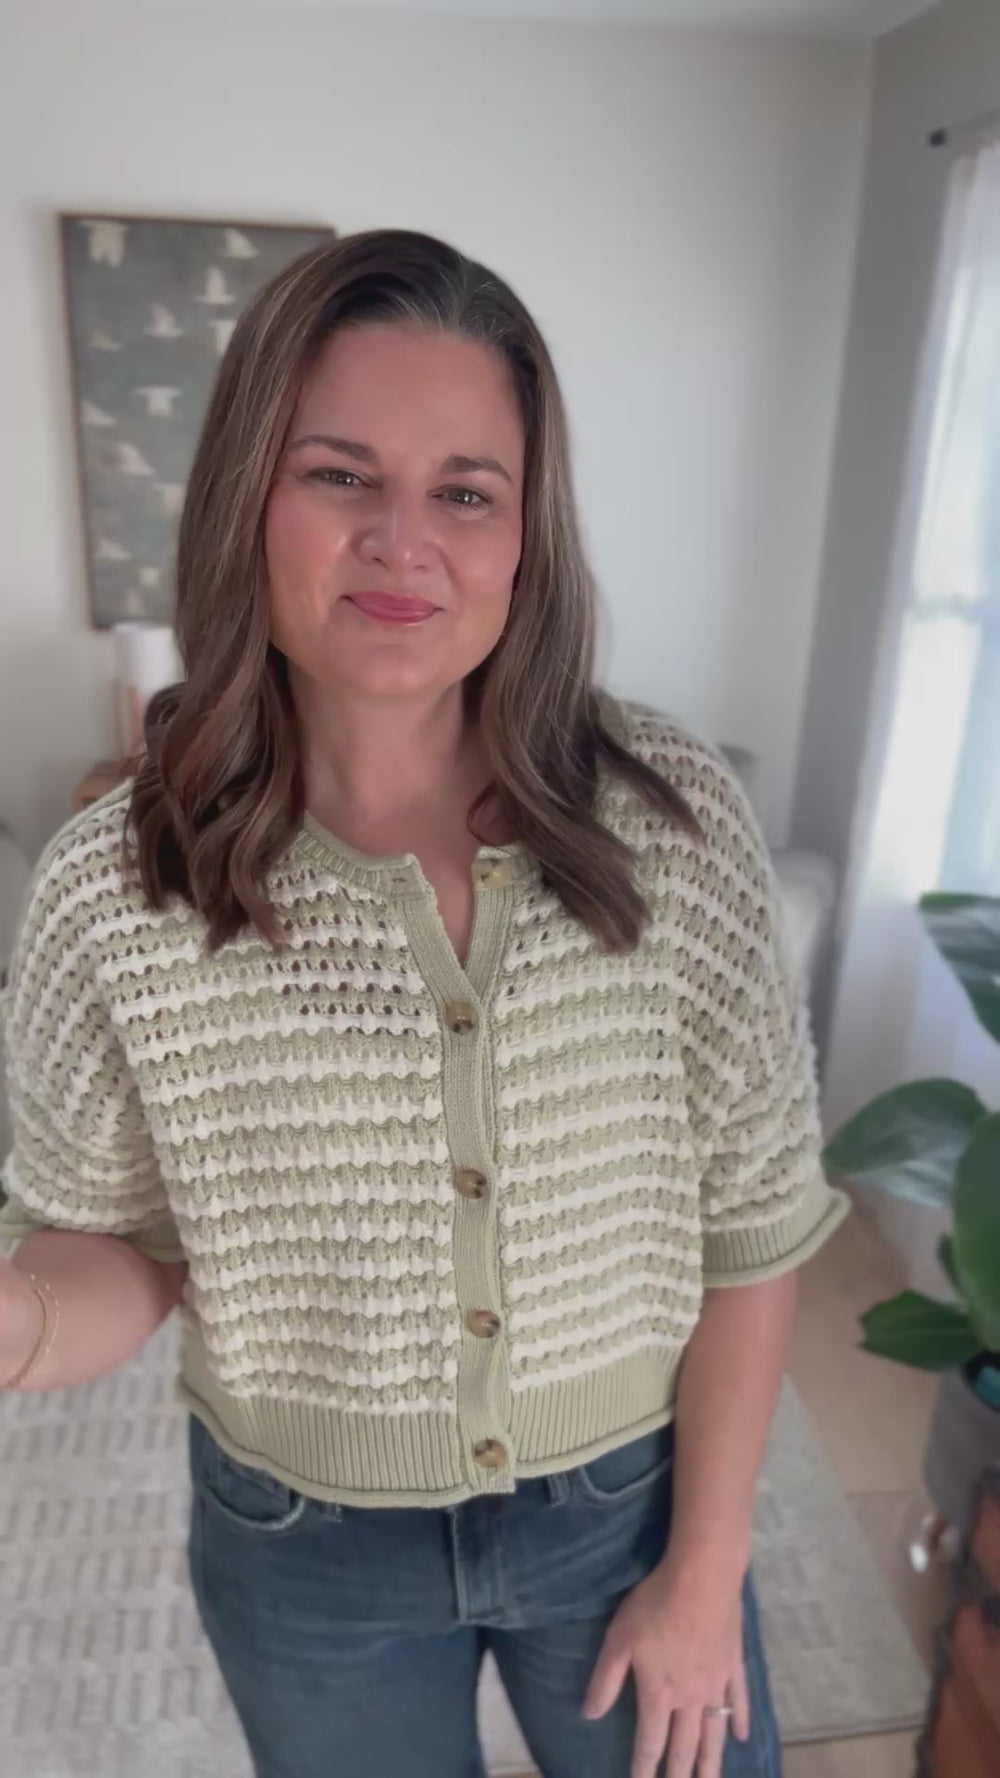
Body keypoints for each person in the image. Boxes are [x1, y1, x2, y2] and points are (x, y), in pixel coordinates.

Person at [0, 228, 849, 1778]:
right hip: (302, 1551)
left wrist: (707, 1567)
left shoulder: (670, 823)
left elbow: (753, 1220)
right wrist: (18, 1320)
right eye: (340, 475)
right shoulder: (117, 888)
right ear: (247, 499)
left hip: (626, 1507)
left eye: (465, 492)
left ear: (526, 536)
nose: (404, 543)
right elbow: (117, 1239)